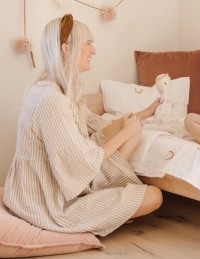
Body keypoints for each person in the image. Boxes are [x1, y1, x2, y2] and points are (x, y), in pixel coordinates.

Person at [3, 14, 162, 236]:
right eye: (88, 44)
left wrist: (141, 115)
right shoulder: (52, 99)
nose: (94, 51)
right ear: (66, 49)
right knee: (154, 196)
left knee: (128, 128)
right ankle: (106, 209)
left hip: (64, 181)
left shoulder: (55, 88)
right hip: (49, 203)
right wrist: (125, 133)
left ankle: (110, 205)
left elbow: (94, 127)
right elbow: (80, 161)